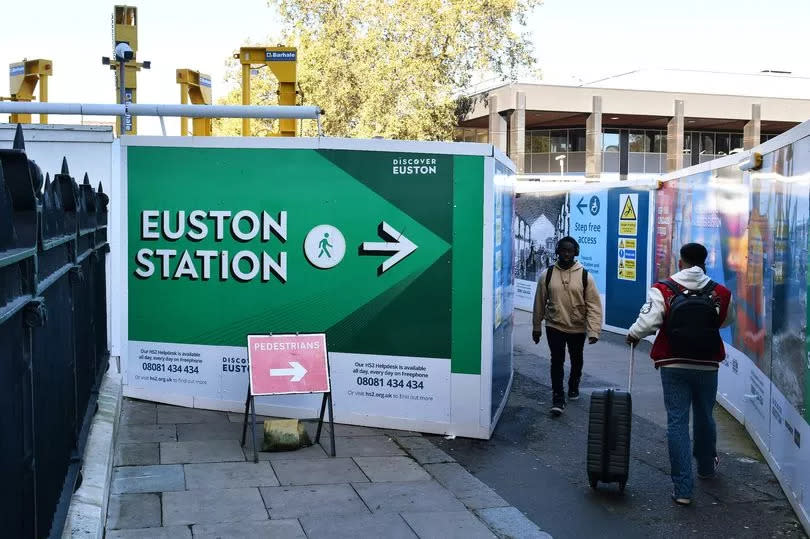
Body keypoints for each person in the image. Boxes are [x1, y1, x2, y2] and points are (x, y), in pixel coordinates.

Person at [626, 243, 733, 507]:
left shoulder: (663, 288)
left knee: (677, 423)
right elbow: (725, 322)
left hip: (673, 363)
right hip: (707, 363)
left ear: (680, 261)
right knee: (705, 415)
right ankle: (706, 467)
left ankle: (683, 489)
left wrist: (633, 335)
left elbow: (649, 322)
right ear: (704, 261)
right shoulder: (721, 292)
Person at [532, 237, 603, 416]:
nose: (566, 254)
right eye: (563, 250)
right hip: (554, 325)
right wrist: (536, 327)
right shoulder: (546, 275)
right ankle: (558, 398)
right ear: (557, 251)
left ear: (576, 252)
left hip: (577, 328)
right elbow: (539, 302)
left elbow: (594, 305)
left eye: (570, 251)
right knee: (557, 360)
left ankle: (573, 385)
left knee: (576, 360)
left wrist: (594, 330)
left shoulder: (586, 276)